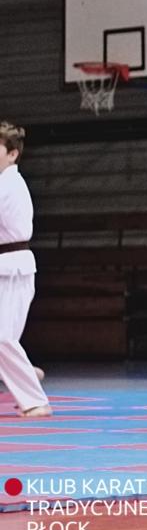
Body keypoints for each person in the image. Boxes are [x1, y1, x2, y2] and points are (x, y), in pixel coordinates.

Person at [0, 122, 51, 418]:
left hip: (12, 269)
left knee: (2, 338)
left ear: (12, 154)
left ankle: (35, 401)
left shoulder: (9, 185)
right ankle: (25, 373)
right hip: (7, 266)